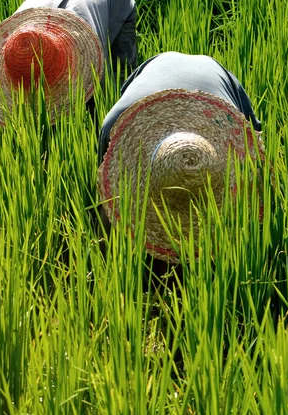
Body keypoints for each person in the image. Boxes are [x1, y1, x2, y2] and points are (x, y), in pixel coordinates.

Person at [97, 51, 265, 262]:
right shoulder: (116, 125)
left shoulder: (228, 117)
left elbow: (254, 141)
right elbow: (107, 194)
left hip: (187, 67)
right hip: (191, 67)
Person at [0, 0, 137, 124]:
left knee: (115, 89)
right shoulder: (18, 37)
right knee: (43, 104)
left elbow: (97, 85)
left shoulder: (85, 40)